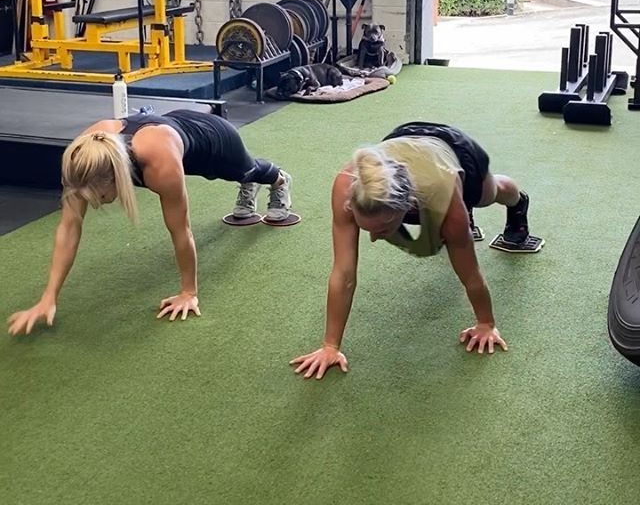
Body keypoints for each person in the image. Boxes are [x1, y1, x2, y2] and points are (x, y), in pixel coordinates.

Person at [290, 121, 543, 380]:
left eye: (383, 228)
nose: (374, 239)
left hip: (455, 152)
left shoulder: (444, 201)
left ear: (408, 206)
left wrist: (486, 324)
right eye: (368, 229)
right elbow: (343, 273)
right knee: (450, 211)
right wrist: (330, 346)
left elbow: (470, 273)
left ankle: (518, 202)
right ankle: (455, 203)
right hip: (402, 144)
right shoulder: (348, 186)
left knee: (490, 193)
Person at [7, 108, 292, 336]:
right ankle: (248, 183)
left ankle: (278, 180)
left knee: (246, 170)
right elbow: (69, 228)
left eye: (99, 197)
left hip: (212, 139)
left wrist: (188, 292)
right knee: (239, 173)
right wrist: (48, 298)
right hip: (170, 130)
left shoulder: (159, 165)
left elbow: (181, 231)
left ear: (115, 179)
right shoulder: (83, 159)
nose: (94, 204)